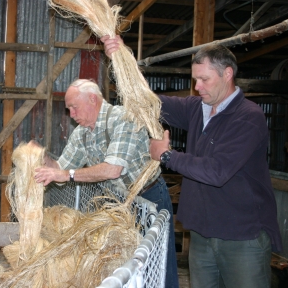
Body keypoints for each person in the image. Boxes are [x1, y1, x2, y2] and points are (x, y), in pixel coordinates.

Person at [102, 35, 283, 288]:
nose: (198, 87)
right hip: (202, 233)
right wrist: (121, 60)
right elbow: (147, 102)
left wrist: (167, 156)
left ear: (227, 74)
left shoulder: (248, 117)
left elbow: (217, 171)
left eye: (205, 79)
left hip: (242, 236)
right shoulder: (197, 108)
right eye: (195, 79)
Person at [31, 78, 179, 288]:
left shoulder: (123, 119)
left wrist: (67, 175)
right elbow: (59, 169)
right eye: (69, 109)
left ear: (93, 99)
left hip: (149, 197)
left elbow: (112, 169)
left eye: (74, 107)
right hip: (119, 204)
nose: (71, 115)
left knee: (157, 265)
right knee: (125, 266)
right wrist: (40, 156)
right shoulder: (82, 133)